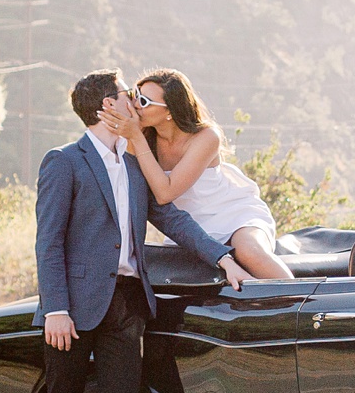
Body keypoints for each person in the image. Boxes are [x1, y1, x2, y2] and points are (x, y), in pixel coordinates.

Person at [17, 70, 250, 393]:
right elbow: (48, 241)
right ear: (107, 107)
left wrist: (222, 256)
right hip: (73, 308)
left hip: (126, 305)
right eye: (128, 95)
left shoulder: (134, 161)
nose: (135, 103)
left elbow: (173, 219)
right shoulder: (64, 161)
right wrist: (55, 308)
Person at [99, 67, 295, 281]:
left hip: (232, 215)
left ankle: (301, 297)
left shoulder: (206, 137)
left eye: (145, 102)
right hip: (188, 229)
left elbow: (165, 193)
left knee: (250, 253)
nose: (136, 104)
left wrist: (136, 137)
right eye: (135, 94)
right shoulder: (141, 138)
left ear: (170, 112)